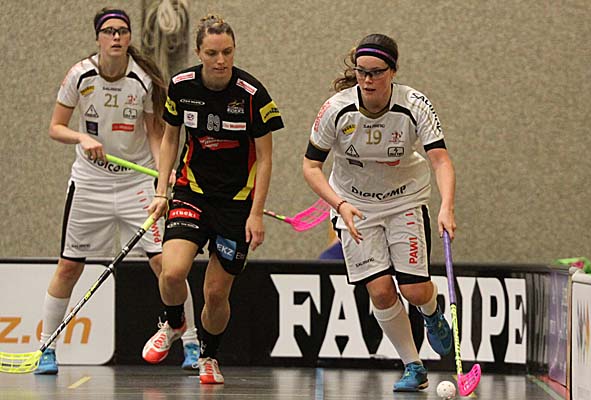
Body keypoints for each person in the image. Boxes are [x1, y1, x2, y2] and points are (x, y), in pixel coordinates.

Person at [35, 7, 200, 375]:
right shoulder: (80, 75)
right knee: (69, 266)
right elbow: (55, 127)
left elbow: (156, 135)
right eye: (109, 31)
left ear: (129, 37)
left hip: (135, 184)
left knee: (165, 265)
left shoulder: (141, 79)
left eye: (122, 31)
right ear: (98, 37)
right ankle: (46, 348)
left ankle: (191, 343)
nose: (116, 37)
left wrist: (164, 176)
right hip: (90, 182)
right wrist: (81, 138)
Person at [303, 33, 455, 392]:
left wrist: (446, 206)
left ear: (393, 71)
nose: (367, 80)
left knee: (414, 290)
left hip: (405, 200)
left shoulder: (414, 105)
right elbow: (310, 167)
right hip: (355, 207)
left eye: (376, 73)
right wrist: (339, 205)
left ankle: (432, 312)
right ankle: (413, 366)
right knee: (382, 292)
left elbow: (440, 160)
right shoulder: (336, 109)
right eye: (361, 72)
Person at [141, 14, 284, 384]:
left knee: (216, 294)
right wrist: (161, 191)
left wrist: (256, 214)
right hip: (191, 191)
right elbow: (170, 138)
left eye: (227, 52)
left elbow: (266, 158)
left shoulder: (252, 95)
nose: (221, 60)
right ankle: (175, 323)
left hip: (236, 203)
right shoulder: (181, 86)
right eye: (212, 53)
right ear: (198, 52)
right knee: (172, 271)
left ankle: (208, 356)